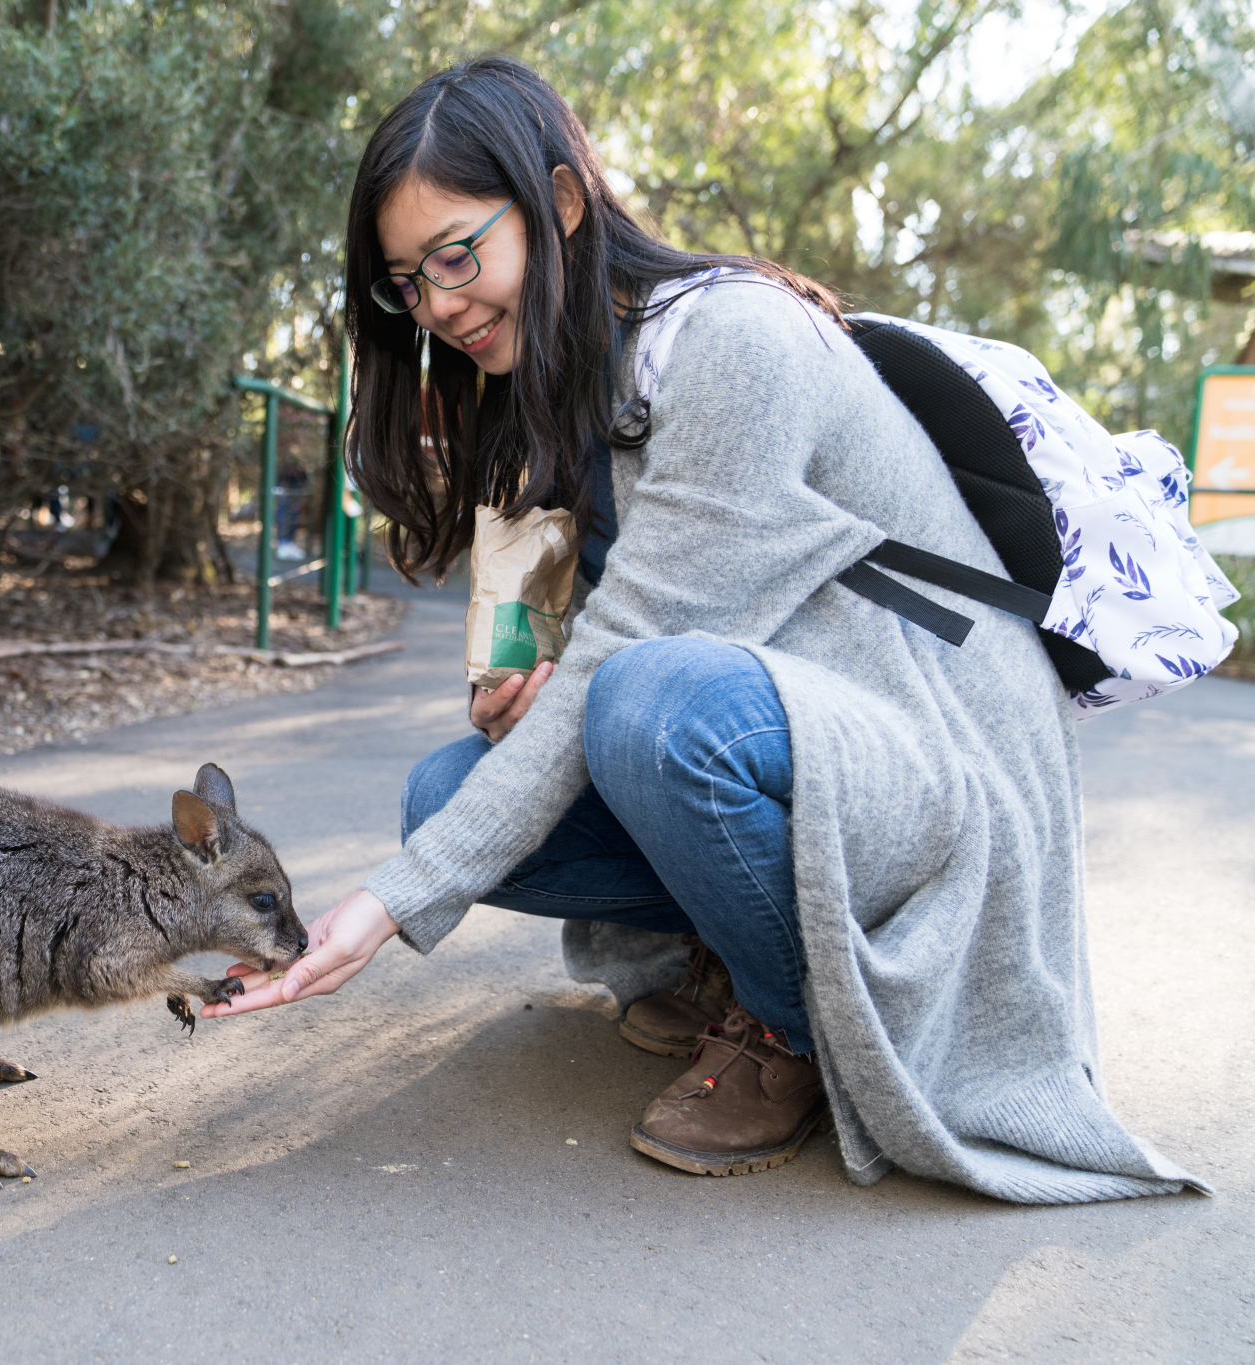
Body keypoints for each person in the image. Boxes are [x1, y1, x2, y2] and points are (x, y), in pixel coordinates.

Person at [203, 56, 1204, 1203]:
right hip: (810, 729)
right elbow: (628, 633)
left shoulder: (728, 340)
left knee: (644, 708)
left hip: (941, 748)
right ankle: (732, 946)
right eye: (404, 282)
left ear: (560, 206)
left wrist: (377, 909)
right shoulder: (573, 382)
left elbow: (636, 657)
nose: (434, 306)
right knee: (448, 792)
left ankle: (789, 1028)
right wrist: (531, 686)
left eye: (454, 257)